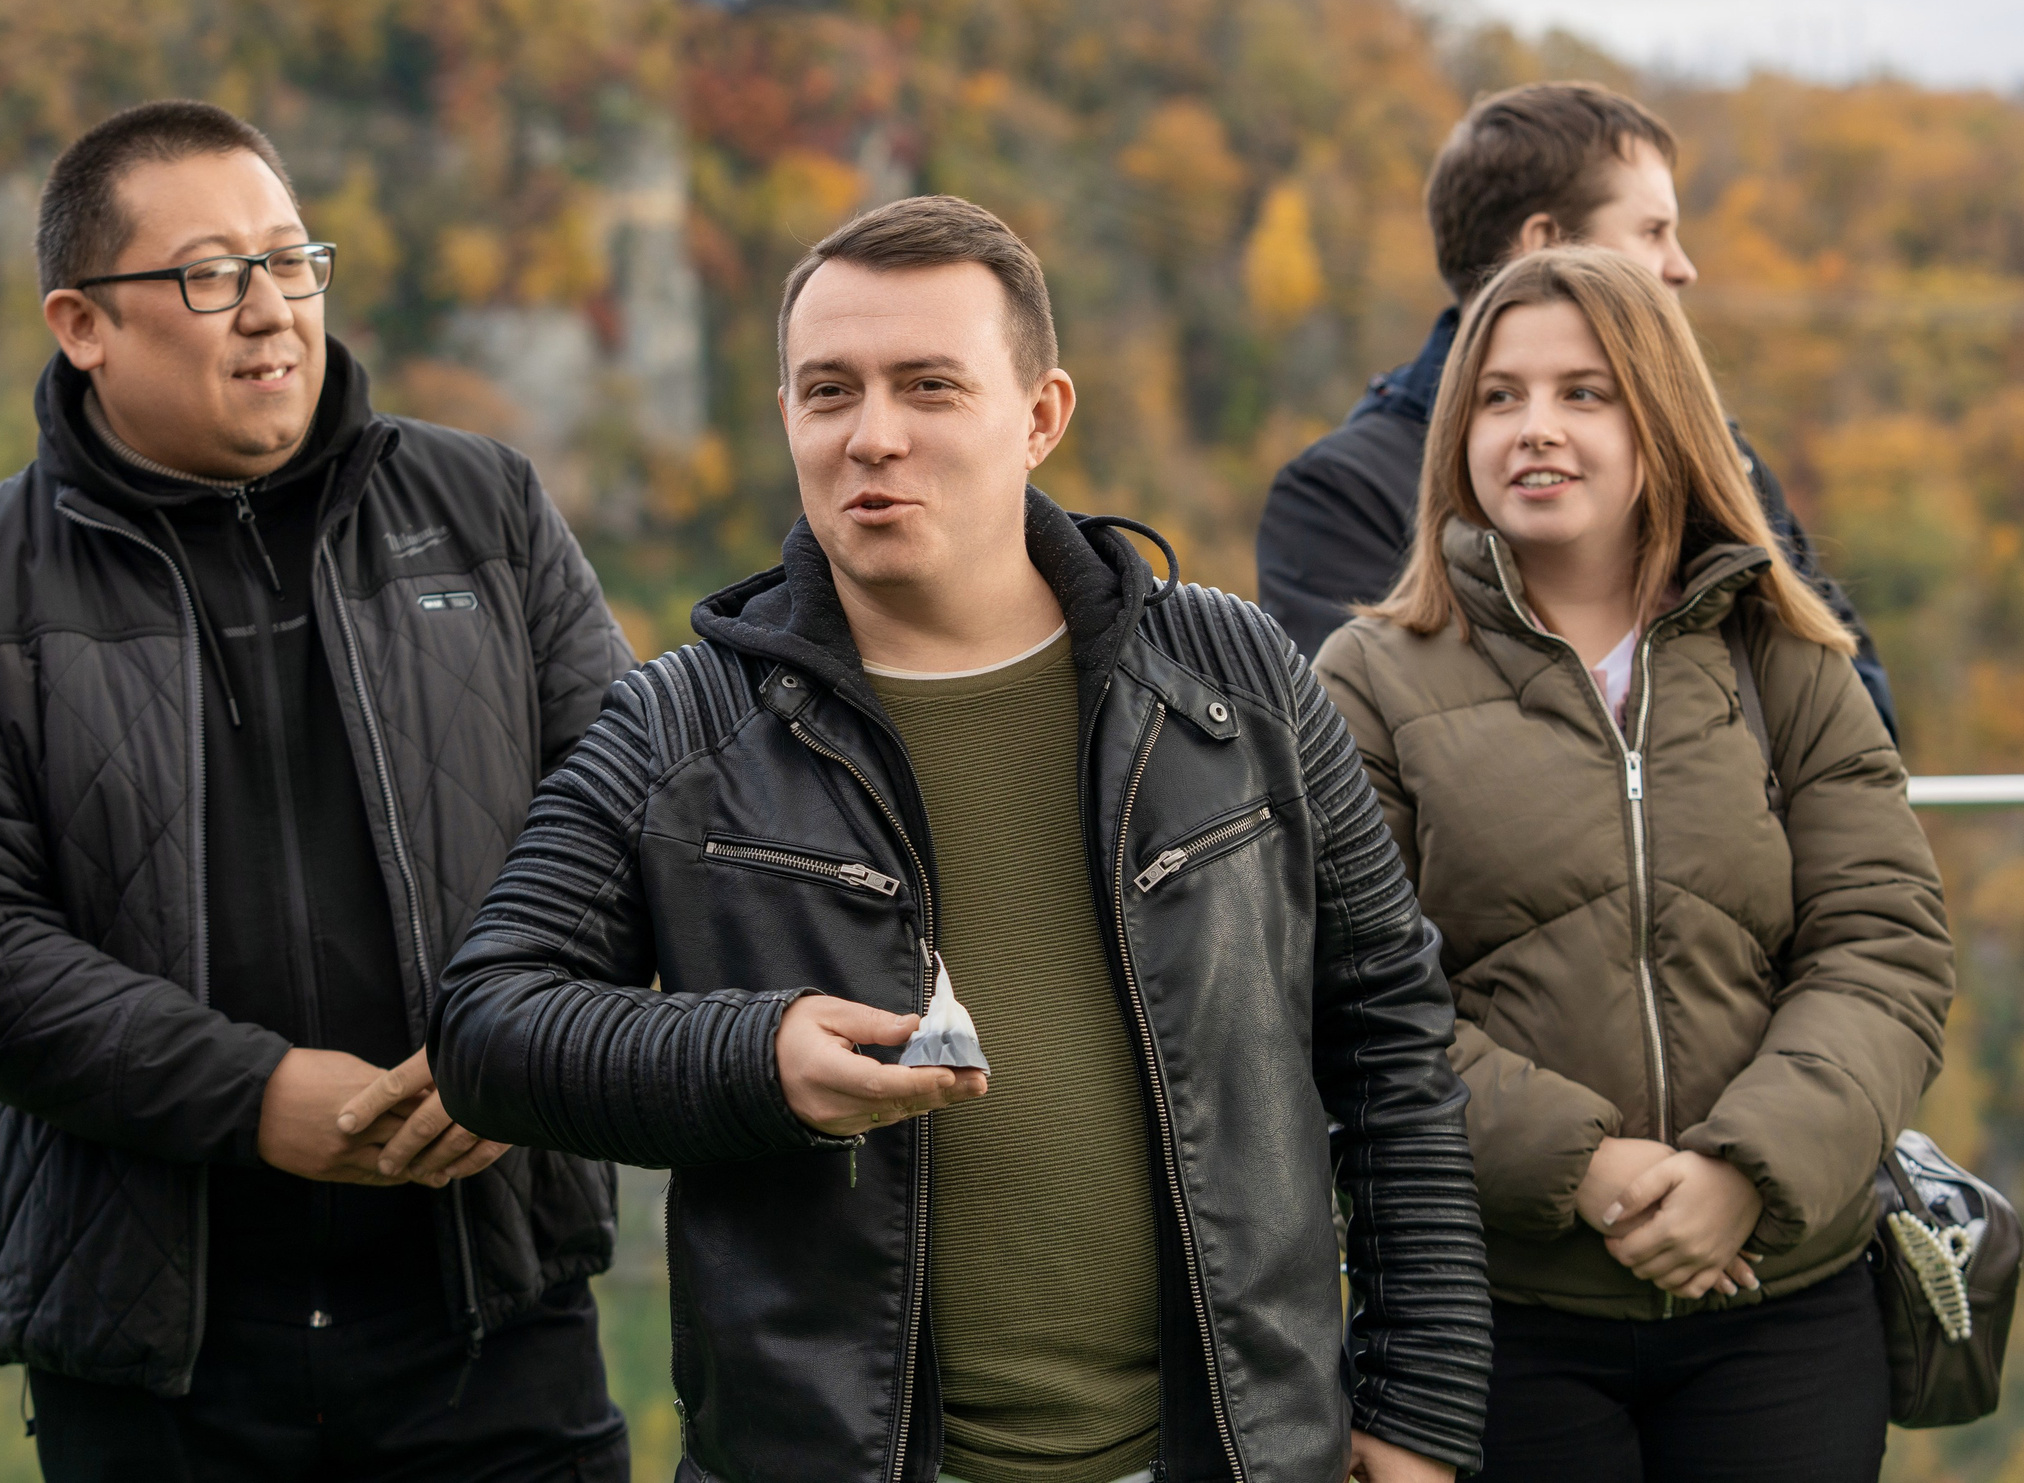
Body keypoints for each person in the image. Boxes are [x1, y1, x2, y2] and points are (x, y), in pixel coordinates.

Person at [434, 195, 1493, 1483]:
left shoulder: (1234, 673)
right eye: (828, 392)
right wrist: (750, 1056)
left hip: (1230, 1457)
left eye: (927, 386)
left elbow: (1390, 1034)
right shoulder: (682, 724)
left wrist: (1421, 1412)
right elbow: (488, 1028)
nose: (872, 435)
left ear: (1041, 415)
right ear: (787, 420)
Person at [0, 99, 634, 1481]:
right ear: (81, 321)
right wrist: (259, 1094)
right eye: (212, 273)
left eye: (292, 262)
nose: (272, 309)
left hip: (493, 1305)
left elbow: (627, 818)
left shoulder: (486, 507)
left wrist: (517, 1048)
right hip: (160, 1355)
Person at [1313, 246, 1953, 1481]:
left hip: (1783, 1306)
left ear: (1659, 419)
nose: (1533, 429)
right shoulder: (1368, 682)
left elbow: (1883, 946)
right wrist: (1591, 1171)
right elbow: (1344, 997)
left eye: (1582, 393)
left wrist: (1743, 1172)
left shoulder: (1784, 654)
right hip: (1496, 1318)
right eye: (1498, 397)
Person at [1255, 81, 1897, 738]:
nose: (1683, 267)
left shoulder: (1715, 458)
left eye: (1583, 396)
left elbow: (1854, 718)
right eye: (1653, 232)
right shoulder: (1341, 497)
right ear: (1545, 246)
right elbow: (1348, 774)